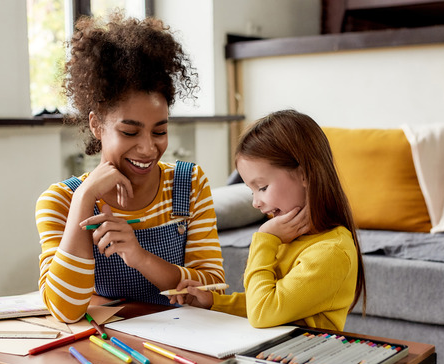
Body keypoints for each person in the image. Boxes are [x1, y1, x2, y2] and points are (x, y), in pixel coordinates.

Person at [35, 12, 225, 324]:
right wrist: (83, 198)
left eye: (160, 131)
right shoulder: (59, 202)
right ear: (97, 125)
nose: (149, 148)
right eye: (130, 132)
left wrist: (139, 257)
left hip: (185, 344)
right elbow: (65, 310)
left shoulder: (188, 184)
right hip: (108, 348)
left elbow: (211, 287)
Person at [169, 109, 366, 331]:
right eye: (252, 190)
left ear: (304, 175)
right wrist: (214, 302)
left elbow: (263, 312)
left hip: (302, 360)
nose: (256, 202)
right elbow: (267, 300)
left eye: (262, 187)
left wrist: (265, 239)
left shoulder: (331, 252)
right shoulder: (289, 238)